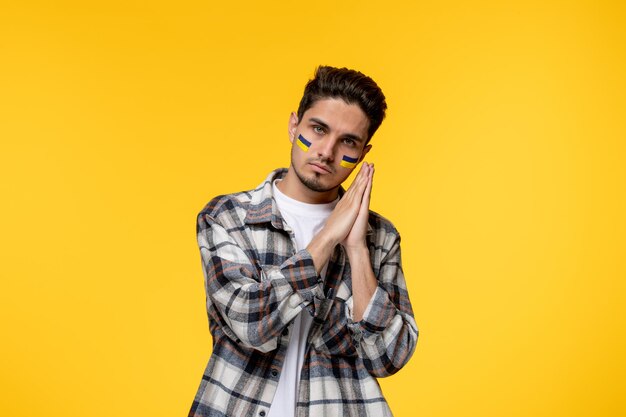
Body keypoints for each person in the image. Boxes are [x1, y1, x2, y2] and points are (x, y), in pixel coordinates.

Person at [189, 66, 418, 417]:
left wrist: (357, 250)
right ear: (294, 125)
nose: (327, 151)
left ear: (364, 152)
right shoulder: (228, 217)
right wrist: (327, 237)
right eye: (318, 129)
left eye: (348, 142)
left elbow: (388, 357)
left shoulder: (380, 238)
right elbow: (251, 323)